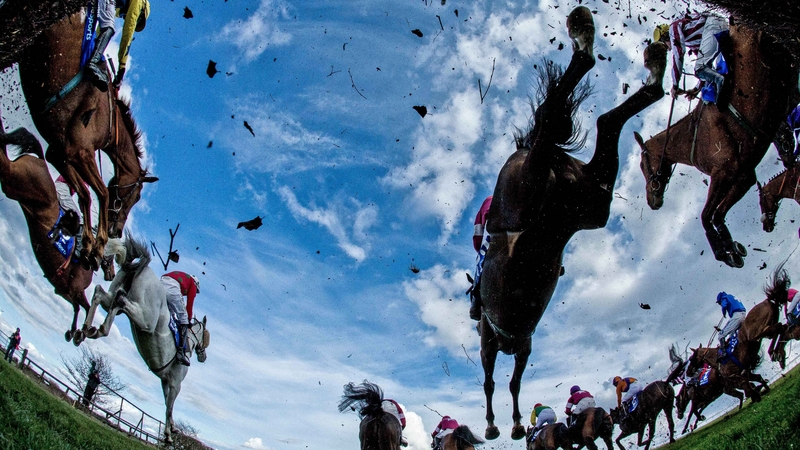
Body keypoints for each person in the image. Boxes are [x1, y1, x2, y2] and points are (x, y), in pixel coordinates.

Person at [654, 11, 730, 104]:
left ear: (664, 37)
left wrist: (675, 85)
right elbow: (706, 67)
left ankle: (722, 81)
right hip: (716, 26)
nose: (668, 49)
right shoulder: (692, 42)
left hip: (713, 25)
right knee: (702, 70)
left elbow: (678, 54)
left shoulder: (672, 29)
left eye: (665, 46)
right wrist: (696, 89)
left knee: (699, 69)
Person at [87, 0, 151, 91]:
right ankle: (93, 63)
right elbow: (128, 32)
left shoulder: (115, 9)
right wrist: (122, 68)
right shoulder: (139, 3)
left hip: (98, 4)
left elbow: (99, 31)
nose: (124, 17)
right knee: (109, 28)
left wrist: (93, 45)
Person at [160, 271, 200, 366]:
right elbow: (189, 304)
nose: (195, 293)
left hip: (162, 281)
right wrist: (188, 320)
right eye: (197, 291)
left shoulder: (184, 280)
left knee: (170, 313)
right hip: (173, 287)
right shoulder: (193, 284)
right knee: (184, 319)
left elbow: (174, 304)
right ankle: (180, 352)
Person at [469, 195, 492, 320]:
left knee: (482, 262)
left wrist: (479, 249)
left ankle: (476, 302)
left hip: (494, 237)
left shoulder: (489, 200)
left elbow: (478, 237)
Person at [54, 175, 83, 258]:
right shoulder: (84, 175)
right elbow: (82, 198)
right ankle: (78, 250)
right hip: (62, 188)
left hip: (63, 189)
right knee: (79, 219)